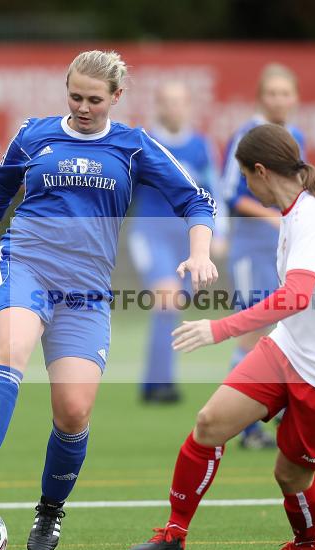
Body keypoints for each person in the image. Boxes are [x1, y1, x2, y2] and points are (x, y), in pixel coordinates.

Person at [0, 50, 218, 550]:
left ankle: (50, 510)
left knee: (74, 413)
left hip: (86, 291)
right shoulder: (35, 134)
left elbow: (196, 199)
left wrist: (200, 251)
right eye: (74, 96)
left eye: (94, 99)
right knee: (12, 350)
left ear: (116, 98)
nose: (82, 107)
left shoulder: (134, 146)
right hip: (25, 264)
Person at [126, 123, 315, 550]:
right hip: (292, 346)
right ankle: (173, 534)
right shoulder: (301, 204)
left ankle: (309, 547)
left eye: (245, 176)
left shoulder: (313, 218)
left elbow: (295, 296)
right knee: (209, 423)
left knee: (290, 474)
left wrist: (220, 329)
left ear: (262, 171)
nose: (244, 186)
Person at [221, 63, 305, 449]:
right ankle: (244, 426)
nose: (278, 100)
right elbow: (230, 193)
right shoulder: (246, 135)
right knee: (251, 336)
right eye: (271, 93)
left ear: (295, 98)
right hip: (251, 248)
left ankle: (267, 414)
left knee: (279, 334)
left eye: (285, 93)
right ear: (260, 97)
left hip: (285, 251)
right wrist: (271, 216)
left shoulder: (295, 136)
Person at [128, 80, 219, 404]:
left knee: (170, 308)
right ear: (159, 106)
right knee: (167, 299)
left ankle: (153, 384)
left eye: (180, 101)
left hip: (187, 239)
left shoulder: (200, 146)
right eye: (168, 101)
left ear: (188, 106)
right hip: (150, 235)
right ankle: (162, 383)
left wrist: (217, 234)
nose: (174, 108)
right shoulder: (143, 143)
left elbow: (212, 191)